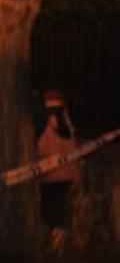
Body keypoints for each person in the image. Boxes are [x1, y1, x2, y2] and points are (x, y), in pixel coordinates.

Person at [36, 89, 79, 253]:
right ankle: (58, 234)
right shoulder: (67, 123)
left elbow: (44, 148)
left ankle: (55, 236)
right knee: (59, 205)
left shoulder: (47, 123)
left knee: (48, 207)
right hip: (67, 173)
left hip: (50, 173)